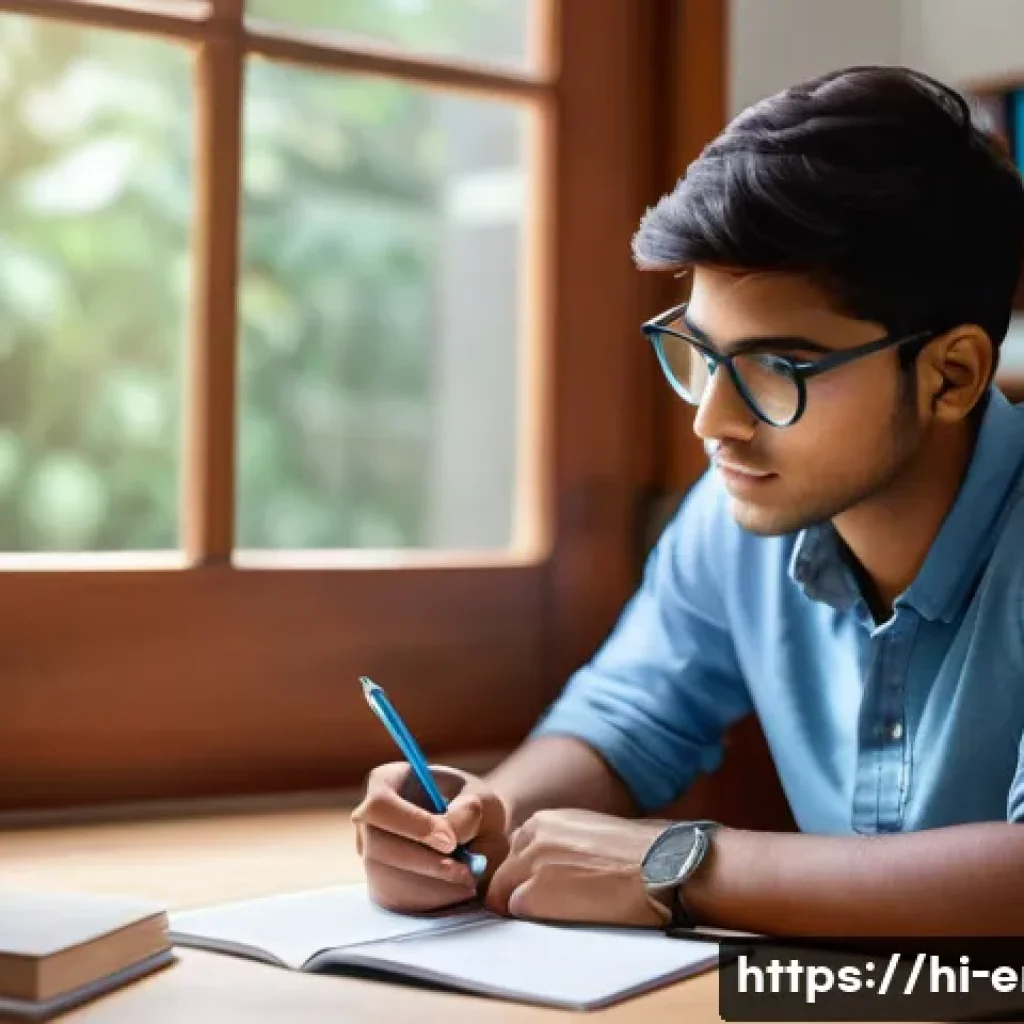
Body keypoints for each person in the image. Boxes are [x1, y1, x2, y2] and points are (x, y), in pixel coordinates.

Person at [352, 65, 1024, 938]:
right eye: (701, 353)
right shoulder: (737, 514)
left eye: (777, 370)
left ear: (953, 374)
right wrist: (470, 824)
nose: (715, 420)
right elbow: (622, 719)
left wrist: (684, 865)